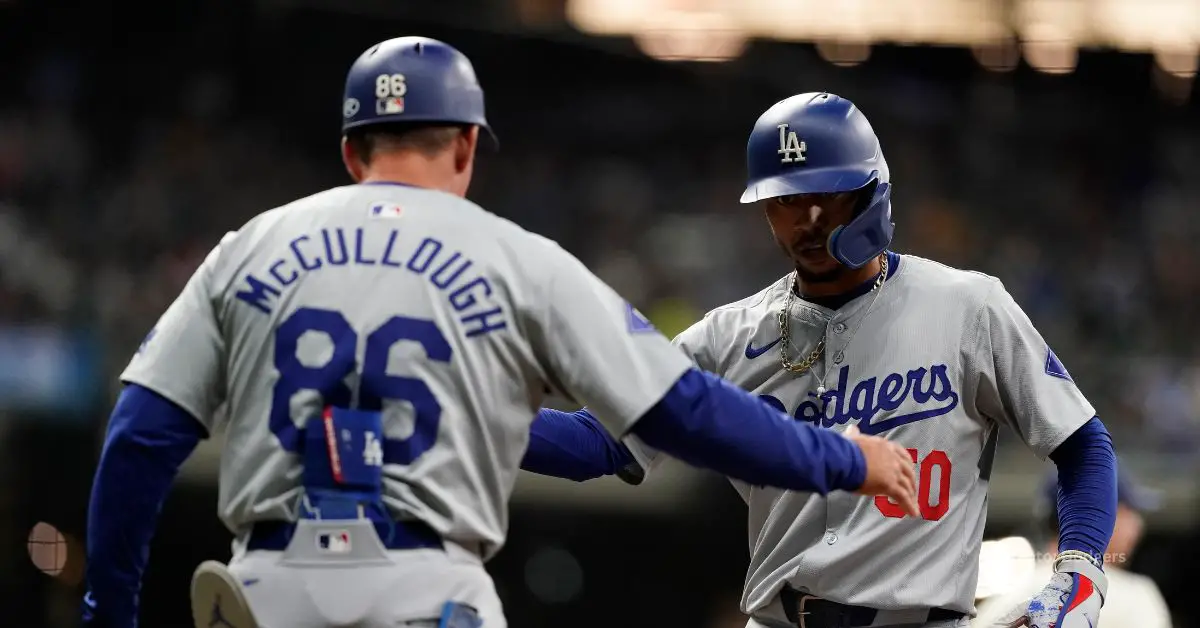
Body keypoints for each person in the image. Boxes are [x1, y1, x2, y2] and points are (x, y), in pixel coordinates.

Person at [79, 41, 921, 628]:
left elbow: (140, 438)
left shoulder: (248, 247)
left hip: (266, 583)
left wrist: (107, 614)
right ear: (469, 146)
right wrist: (847, 459)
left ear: (349, 152)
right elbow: (683, 413)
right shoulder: (519, 259)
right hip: (427, 586)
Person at [519, 92, 1120, 628]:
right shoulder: (725, 338)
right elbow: (595, 444)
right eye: (786, 200)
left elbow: (1082, 443)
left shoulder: (969, 307)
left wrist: (1081, 569)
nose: (807, 220)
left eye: (825, 195)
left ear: (871, 189)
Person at [972, 467, 1172, 627]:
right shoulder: (1136, 596)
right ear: (1101, 515)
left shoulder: (1006, 595)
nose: (1138, 525)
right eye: (1128, 511)